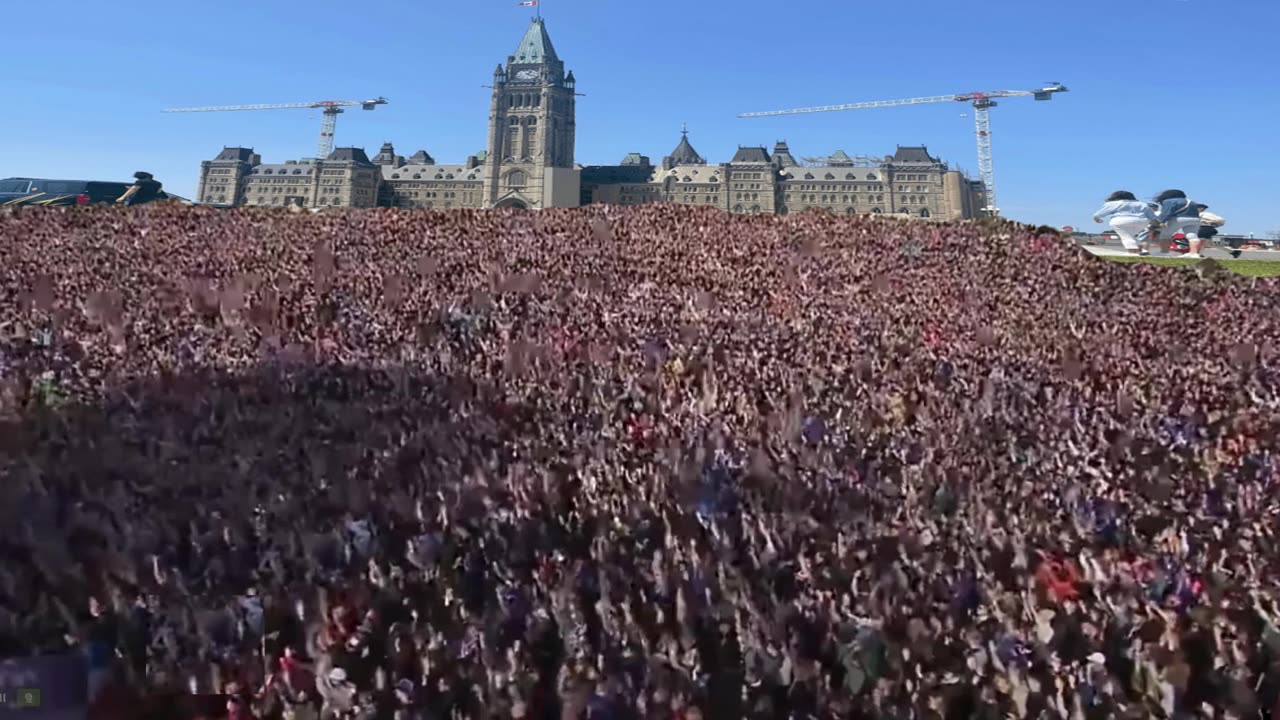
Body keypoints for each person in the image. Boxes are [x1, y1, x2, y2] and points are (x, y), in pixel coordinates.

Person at [1091, 190, 1157, 255]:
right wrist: (1156, 223)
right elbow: (1152, 216)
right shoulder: (1142, 204)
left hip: (1121, 221)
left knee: (1126, 237)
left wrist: (1097, 218)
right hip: (1141, 221)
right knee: (1130, 236)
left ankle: (1132, 253)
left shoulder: (1113, 203)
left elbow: (1099, 213)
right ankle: (1141, 251)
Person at [1151, 189, 1205, 259]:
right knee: (1192, 236)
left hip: (1178, 219)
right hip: (1195, 219)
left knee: (1165, 235)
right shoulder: (1192, 202)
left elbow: (1166, 213)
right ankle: (1194, 253)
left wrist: (1159, 221)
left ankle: (1164, 252)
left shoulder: (1169, 201)